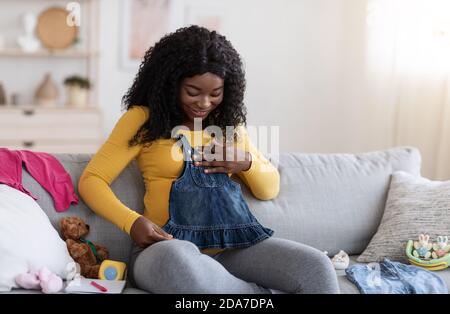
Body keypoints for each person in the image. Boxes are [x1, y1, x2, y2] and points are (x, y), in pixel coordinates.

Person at [78, 25, 339, 294]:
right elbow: (92, 180)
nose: (204, 103)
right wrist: (131, 222)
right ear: (171, 84)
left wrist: (245, 162)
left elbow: (269, 188)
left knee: (316, 266)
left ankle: (225, 287)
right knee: (181, 264)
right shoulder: (143, 120)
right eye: (193, 91)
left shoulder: (228, 126)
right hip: (165, 250)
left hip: (230, 249)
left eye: (215, 94)